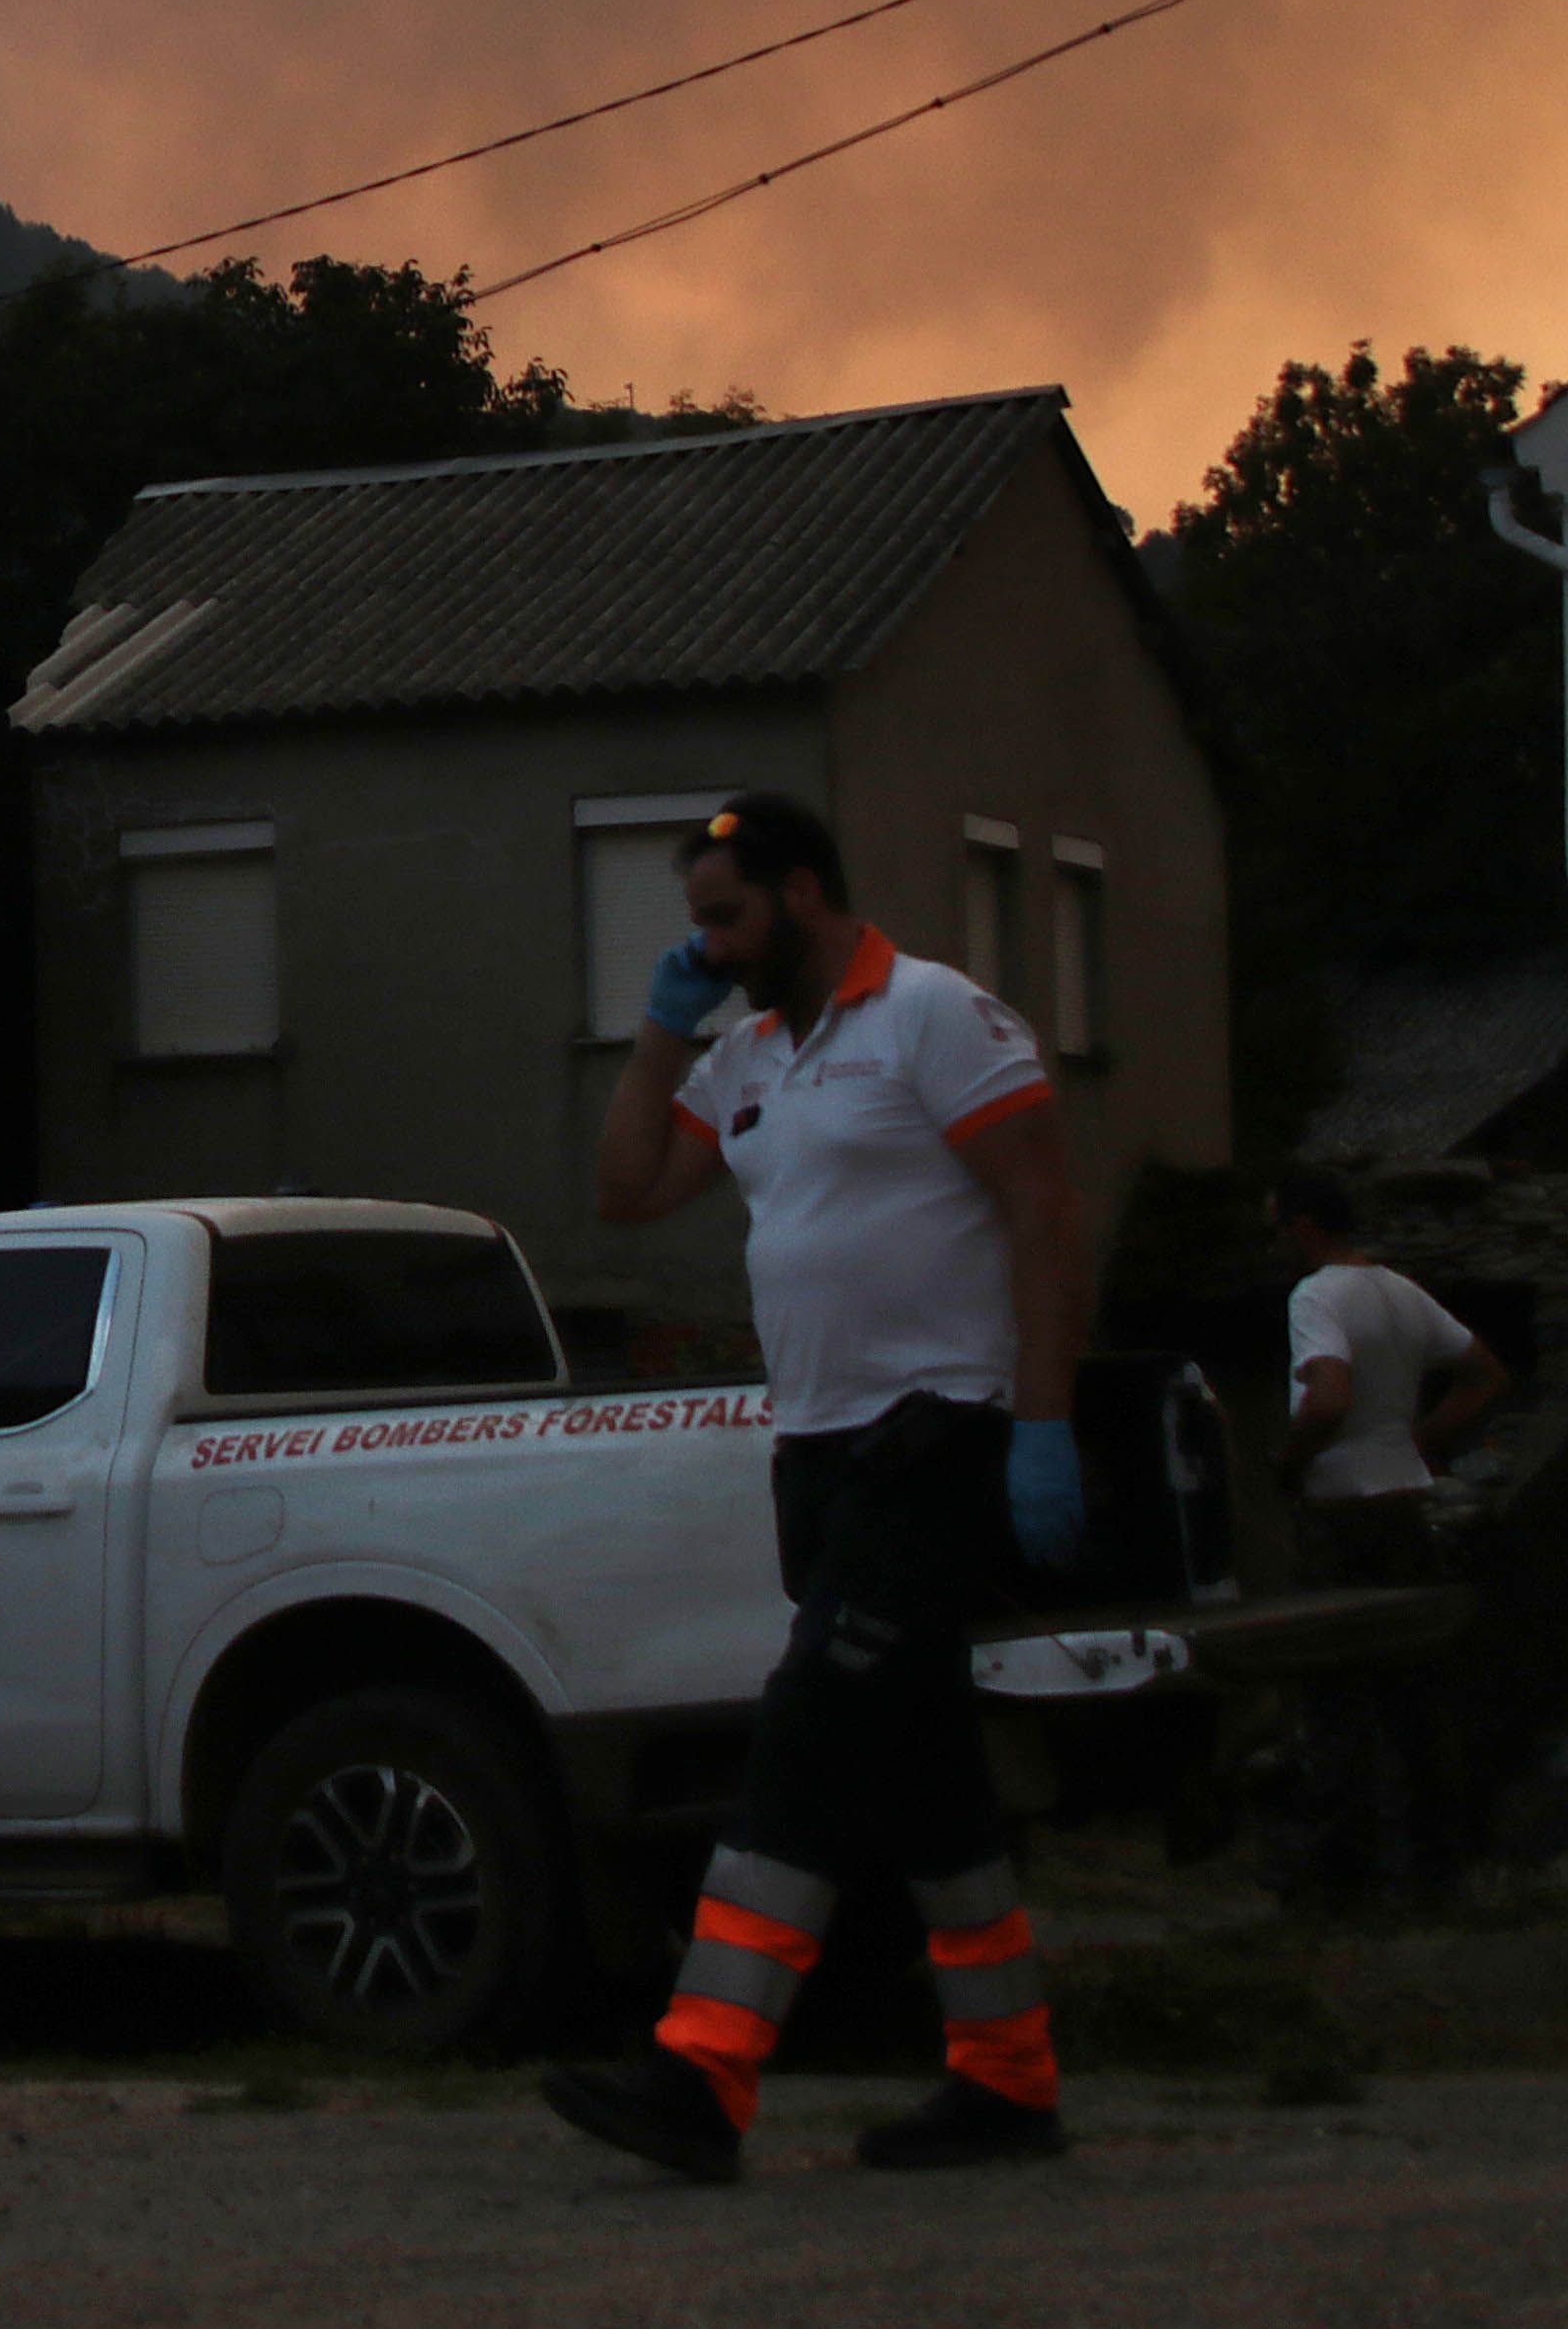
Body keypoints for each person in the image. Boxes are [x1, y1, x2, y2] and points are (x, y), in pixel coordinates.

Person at [542, 792, 1095, 2186]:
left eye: (724, 918)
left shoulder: (933, 1016)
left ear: (802, 893)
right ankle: (1009, 2085)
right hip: (824, 1453)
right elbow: (624, 1190)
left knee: (806, 1732)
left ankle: (704, 2072)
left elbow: (1042, 1204)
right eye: (693, 928)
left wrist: (1042, 1421)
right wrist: (663, 1029)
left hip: (940, 1435)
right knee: (927, 1785)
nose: (710, 945)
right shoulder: (748, 1058)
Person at [1264, 1165, 1507, 1897]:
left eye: (1277, 1226)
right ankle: (1438, 1867)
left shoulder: (1316, 1295)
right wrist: (1422, 1438)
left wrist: (1288, 1460)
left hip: (1342, 1512)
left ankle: (1345, 1876)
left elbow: (1328, 1396)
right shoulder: (1401, 1292)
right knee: (1415, 1693)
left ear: (1305, 1225)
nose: (1274, 1242)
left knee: (1334, 1693)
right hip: (1406, 1501)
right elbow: (1487, 1375)